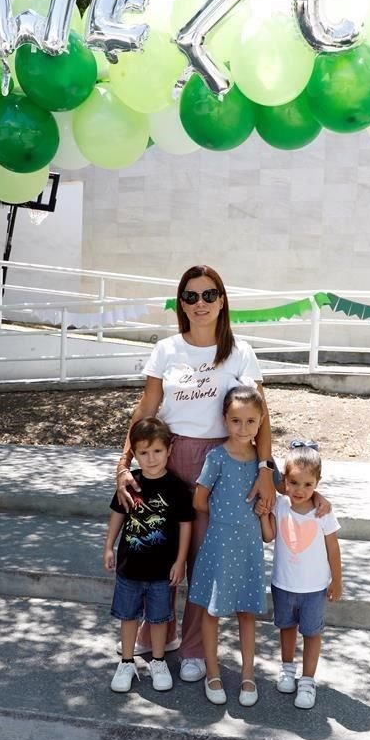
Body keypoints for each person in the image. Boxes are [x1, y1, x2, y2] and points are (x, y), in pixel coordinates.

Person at [115, 265, 276, 684]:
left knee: (203, 560)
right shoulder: (166, 349)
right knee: (162, 551)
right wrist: (123, 464)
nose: (199, 304)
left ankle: (192, 651)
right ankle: (158, 638)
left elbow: (262, 416)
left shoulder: (240, 352)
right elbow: (147, 408)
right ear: (180, 303)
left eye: (208, 295)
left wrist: (264, 468)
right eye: (190, 296)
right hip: (166, 459)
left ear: (222, 300)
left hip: (221, 463)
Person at [189, 386, 268, 707]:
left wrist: (318, 499)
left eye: (251, 421)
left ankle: (248, 674)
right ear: (225, 420)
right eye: (236, 420)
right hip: (220, 543)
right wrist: (226, 516)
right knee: (212, 610)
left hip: (249, 546)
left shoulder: (264, 465)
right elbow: (199, 499)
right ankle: (213, 672)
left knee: (246, 611)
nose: (243, 428)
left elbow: (286, 491)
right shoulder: (217, 457)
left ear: (261, 422)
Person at [104, 417, 194, 694]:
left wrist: (180, 561)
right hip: (130, 567)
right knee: (128, 616)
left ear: (169, 450)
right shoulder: (130, 483)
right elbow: (118, 516)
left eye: (157, 451)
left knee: (158, 618)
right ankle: (127, 661)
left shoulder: (177, 487)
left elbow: (185, 525)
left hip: (161, 570)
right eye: (143, 452)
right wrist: (108, 546)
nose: (151, 458)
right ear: (136, 454)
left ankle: (158, 661)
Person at [260, 440, 342, 710]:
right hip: (283, 583)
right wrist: (263, 515)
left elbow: (333, 547)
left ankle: (308, 680)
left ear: (318, 483)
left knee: (312, 632)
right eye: (294, 483)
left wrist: (337, 580)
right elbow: (269, 537)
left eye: (308, 485)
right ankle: (287, 669)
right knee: (286, 628)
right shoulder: (280, 505)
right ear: (284, 480)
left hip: (314, 588)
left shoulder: (322, 512)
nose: (300, 490)